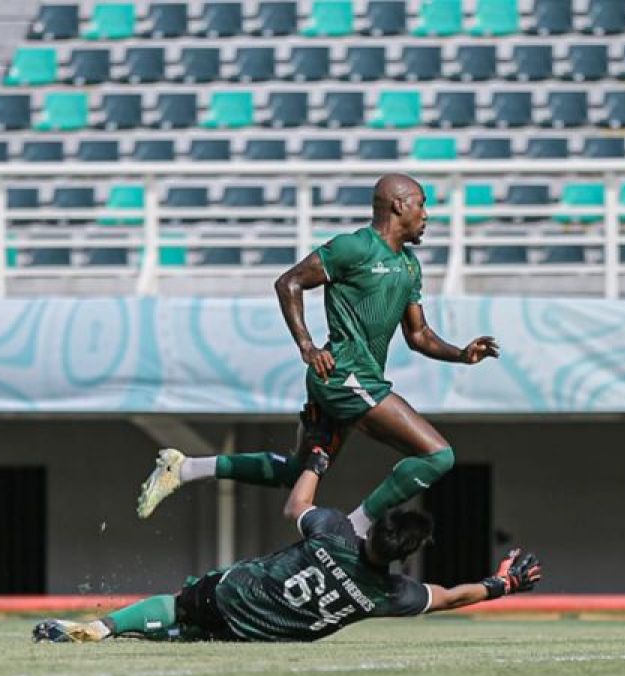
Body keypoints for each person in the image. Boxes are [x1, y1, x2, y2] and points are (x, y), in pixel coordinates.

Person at [136, 173, 499, 538]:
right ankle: (355, 528)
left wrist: (461, 354)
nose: (426, 214)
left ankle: (183, 469)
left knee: (297, 472)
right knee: (438, 456)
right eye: (421, 204)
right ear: (399, 205)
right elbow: (288, 282)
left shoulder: (409, 265)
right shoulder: (353, 248)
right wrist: (307, 346)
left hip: (354, 379)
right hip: (344, 375)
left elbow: (418, 335)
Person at [35, 448, 541, 643]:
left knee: (180, 603)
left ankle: (105, 626)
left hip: (237, 592)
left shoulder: (335, 533)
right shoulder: (389, 594)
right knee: (190, 632)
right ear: (402, 558)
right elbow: (451, 596)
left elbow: (296, 504)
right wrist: (504, 584)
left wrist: (316, 464)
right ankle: (145, 632)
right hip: (263, 632)